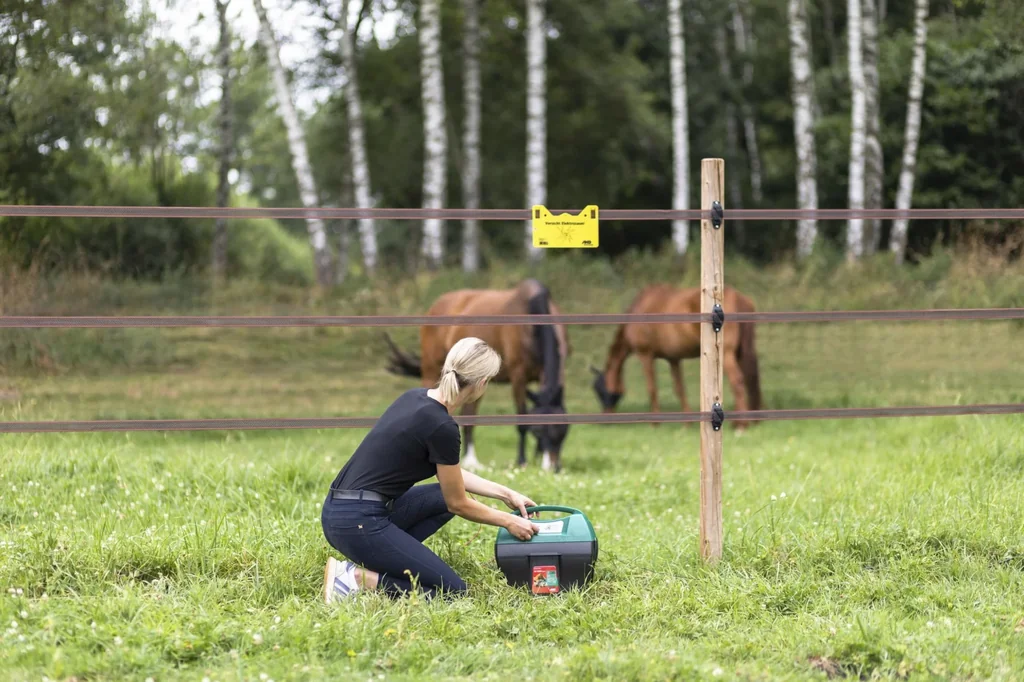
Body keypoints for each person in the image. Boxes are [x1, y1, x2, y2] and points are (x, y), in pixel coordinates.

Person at [321, 336, 541, 602]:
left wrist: (507, 494)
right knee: (452, 591)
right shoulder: (442, 427)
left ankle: (385, 556)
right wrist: (509, 521)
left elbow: (451, 478)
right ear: (482, 384)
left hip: (339, 512)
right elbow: (458, 503)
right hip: (358, 523)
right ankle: (356, 578)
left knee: (440, 498)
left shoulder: (414, 398)